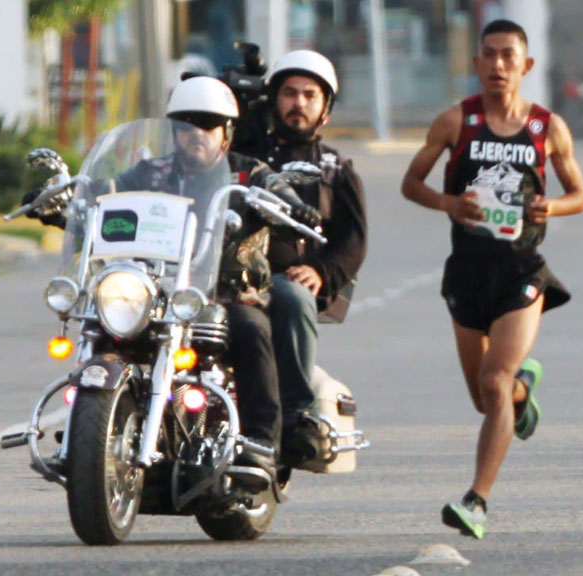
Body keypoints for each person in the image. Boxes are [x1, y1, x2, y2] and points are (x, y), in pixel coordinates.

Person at [26, 76, 308, 489]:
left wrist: (290, 204)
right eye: (186, 125)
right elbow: (105, 195)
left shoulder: (248, 175)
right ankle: (86, 435)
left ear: (226, 134)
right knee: (103, 328)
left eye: (207, 124)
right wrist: (62, 205)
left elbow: (277, 190)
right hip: (153, 290)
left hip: (223, 293)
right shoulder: (150, 172)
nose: (195, 134)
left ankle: (261, 446)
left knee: (251, 329)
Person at [401, 19, 583, 539]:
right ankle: (524, 391)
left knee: (493, 380)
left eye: (509, 56)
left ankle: (476, 501)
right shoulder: (455, 122)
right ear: (478, 63)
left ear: (526, 66)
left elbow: (580, 194)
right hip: (467, 273)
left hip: (522, 272)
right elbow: (409, 182)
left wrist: (552, 205)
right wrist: (447, 203)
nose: (499, 65)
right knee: (486, 399)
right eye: (490, 55)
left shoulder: (546, 128)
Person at [252, 50, 368, 467]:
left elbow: (352, 242)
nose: (297, 103)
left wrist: (321, 271)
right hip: (225, 274)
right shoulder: (243, 154)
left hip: (284, 280)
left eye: (309, 95)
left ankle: (297, 418)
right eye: (288, 92)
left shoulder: (335, 169)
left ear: (325, 110)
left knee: (293, 296)